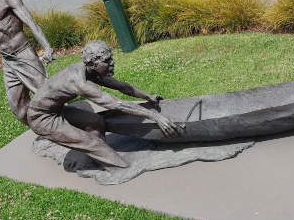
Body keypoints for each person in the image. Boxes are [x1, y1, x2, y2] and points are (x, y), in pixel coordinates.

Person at [27, 40, 181, 169]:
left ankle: (99, 159)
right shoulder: (80, 82)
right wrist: (155, 115)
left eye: (111, 58)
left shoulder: (89, 70)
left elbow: (122, 87)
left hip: (57, 109)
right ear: (93, 63)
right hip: (41, 118)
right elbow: (117, 104)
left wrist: (149, 97)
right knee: (93, 143)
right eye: (107, 61)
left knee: (96, 122)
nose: (112, 63)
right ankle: (118, 167)